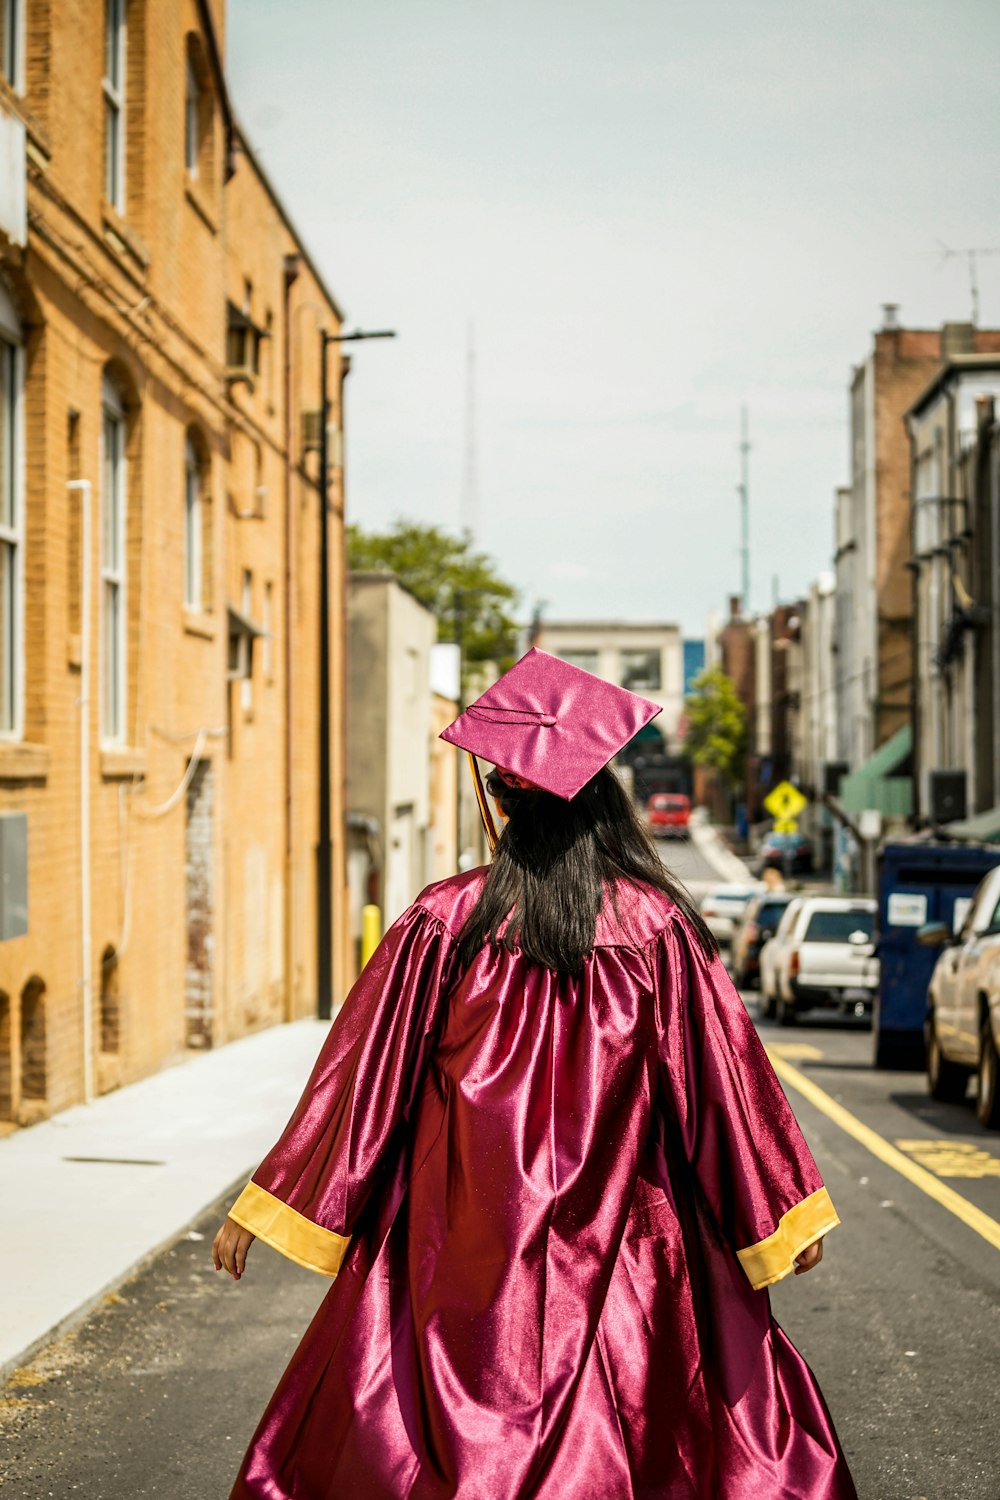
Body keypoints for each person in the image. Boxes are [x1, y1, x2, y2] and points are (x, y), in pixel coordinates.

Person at [214, 648, 857, 1499]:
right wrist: (774, 1210)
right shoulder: (658, 930)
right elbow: (722, 1092)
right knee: (636, 1433)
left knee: (418, 1437)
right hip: (626, 1246)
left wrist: (279, 1198)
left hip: (456, 1247)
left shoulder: (445, 923)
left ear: (501, 799)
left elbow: (363, 1080)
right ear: (601, 798)